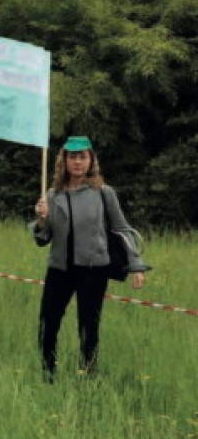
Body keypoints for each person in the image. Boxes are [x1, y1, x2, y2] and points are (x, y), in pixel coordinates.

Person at [32, 136, 148, 380]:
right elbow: (43, 239)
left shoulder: (104, 193)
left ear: (91, 160)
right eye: (72, 157)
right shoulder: (53, 195)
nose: (77, 162)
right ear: (63, 160)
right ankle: (47, 372)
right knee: (48, 322)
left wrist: (136, 266)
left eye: (82, 157)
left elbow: (121, 229)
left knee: (88, 326)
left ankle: (88, 375)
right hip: (60, 268)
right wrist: (41, 219)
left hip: (94, 269)